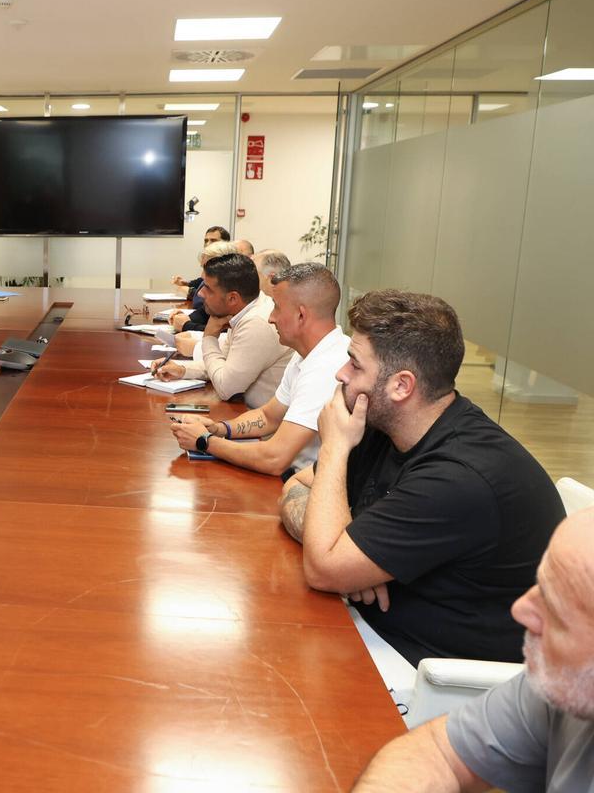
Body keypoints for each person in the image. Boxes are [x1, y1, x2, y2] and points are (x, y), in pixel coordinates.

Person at [280, 290, 563, 666]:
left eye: (355, 364)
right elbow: (294, 488)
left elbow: (323, 569)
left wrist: (332, 448)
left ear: (401, 386)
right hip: (372, 630)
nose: (340, 374)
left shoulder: (459, 477)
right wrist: (344, 551)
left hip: (434, 678)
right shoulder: (386, 426)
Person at [351, 508, 594, 791]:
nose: (520, 609)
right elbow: (439, 753)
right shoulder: (565, 683)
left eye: (553, 607)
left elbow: (330, 565)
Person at [169, 263, 350, 476]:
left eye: (277, 307)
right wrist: (219, 429)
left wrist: (204, 441)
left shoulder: (328, 366)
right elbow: (268, 416)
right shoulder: (308, 352)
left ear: (301, 315)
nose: (271, 317)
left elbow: (274, 459)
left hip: (304, 486)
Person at [152, 254, 292, 408]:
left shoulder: (256, 323)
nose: (200, 293)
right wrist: (183, 370)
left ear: (233, 298)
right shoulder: (247, 309)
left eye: (208, 289)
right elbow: (224, 363)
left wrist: (210, 337)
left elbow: (227, 389)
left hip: (263, 425)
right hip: (245, 411)